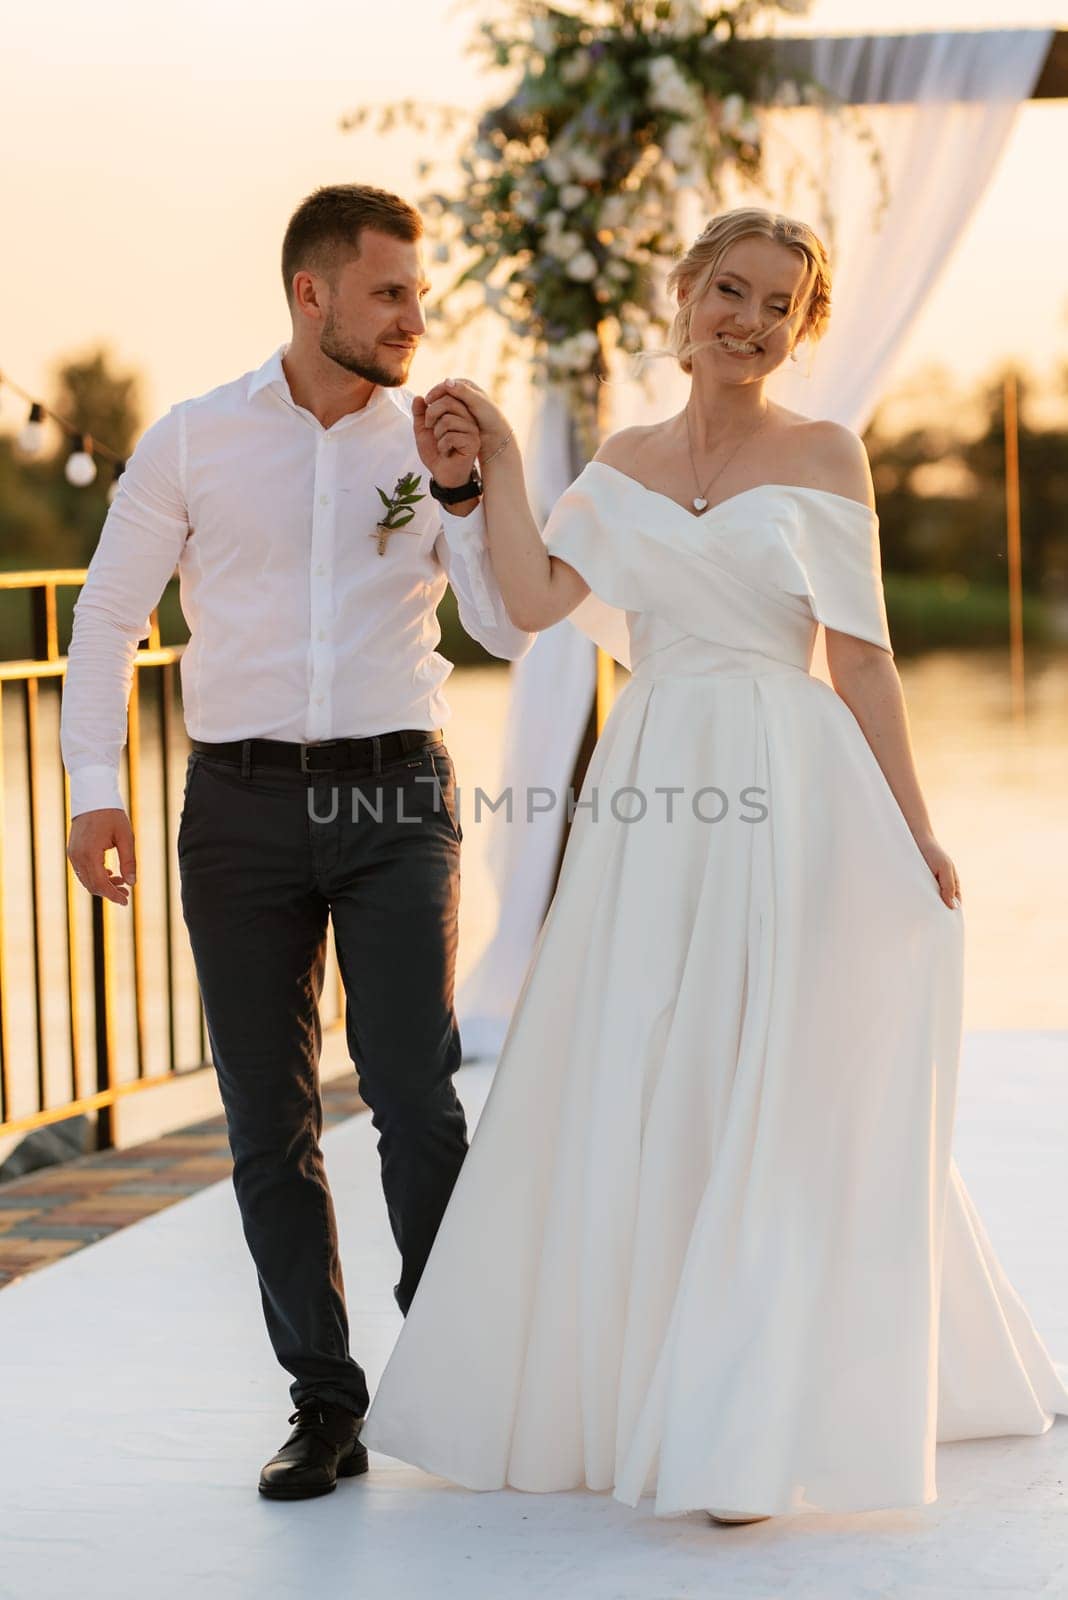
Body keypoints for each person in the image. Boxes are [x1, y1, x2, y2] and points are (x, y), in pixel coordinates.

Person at [360, 208, 1068, 1524]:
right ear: (679, 298)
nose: (747, 318)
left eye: (778, 304)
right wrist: (500, 459)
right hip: (653, 787)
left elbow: (858, 656)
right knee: (652, 1059)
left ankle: (741, 1418)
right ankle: (659, 1379)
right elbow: (526, 606)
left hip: (788, 782)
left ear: (802, 328)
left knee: (764, 1065)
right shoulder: (621, 462)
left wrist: (914, 828)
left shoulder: (825, 453)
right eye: (727, 290)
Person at [60, 183, 534, 1501]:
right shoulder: (196, 438)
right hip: (240, 811)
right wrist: (95, 786)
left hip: (394, 799)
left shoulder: (440, 437)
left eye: (418, 294)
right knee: (267, 1122)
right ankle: (324, 1404)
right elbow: (105, 618)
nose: (415, 320)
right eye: (390, 293)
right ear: (311, 293)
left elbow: (499, 626)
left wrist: (460, 491)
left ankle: (456, 1374)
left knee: (414, 1098)